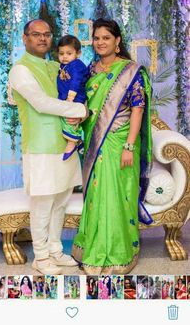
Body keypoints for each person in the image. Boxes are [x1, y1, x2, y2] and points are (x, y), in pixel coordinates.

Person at [72, 18, 153, 275]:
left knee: (118, 195)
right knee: (97, 195)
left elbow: (137, 111)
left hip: (120, 142)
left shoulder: (131, 71)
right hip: (96, 143)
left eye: (106, 38)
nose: (100, 42)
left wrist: (129, 146)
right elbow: (86, 104)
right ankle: (93, 248)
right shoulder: (91, 69)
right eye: (96, 38)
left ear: (117, 41)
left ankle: (120, 253)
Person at [9, 19, 86, 275]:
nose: (42, 38)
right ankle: (40, 257)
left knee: (61, 201)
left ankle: (55, 250)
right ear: (25, 38)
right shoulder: (20, 70)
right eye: (36, 34)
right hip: (41, 147)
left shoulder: (56, 65)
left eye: (47, 34)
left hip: (64, 144)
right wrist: (80, 109)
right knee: (42, 204)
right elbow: (41, 103)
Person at [57, 35, 88, 160]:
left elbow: (76, 80)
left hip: (75, 97)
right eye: (61, 53)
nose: (64, 56)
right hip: (66, 98)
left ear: (78, 53)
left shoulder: (76, 65)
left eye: (69, 53)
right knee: (64, 119)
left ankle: (72, 143)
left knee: (70, 119)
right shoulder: (63, 65)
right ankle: (79, 141)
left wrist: (70, 97)